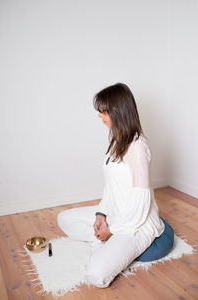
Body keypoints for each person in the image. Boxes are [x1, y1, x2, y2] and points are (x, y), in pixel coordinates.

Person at [57, 83, 173, 288]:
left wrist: (112, 230)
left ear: (118, 111)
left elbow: (141, 201)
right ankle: (105, 243)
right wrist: (101, 215)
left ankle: (106, 245)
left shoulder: (138, 147)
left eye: (103, 110)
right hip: (116, 215)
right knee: (64, 219)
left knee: (96, 275)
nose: (99, 116)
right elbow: (111, 187)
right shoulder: (117, 141)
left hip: (137, 225)